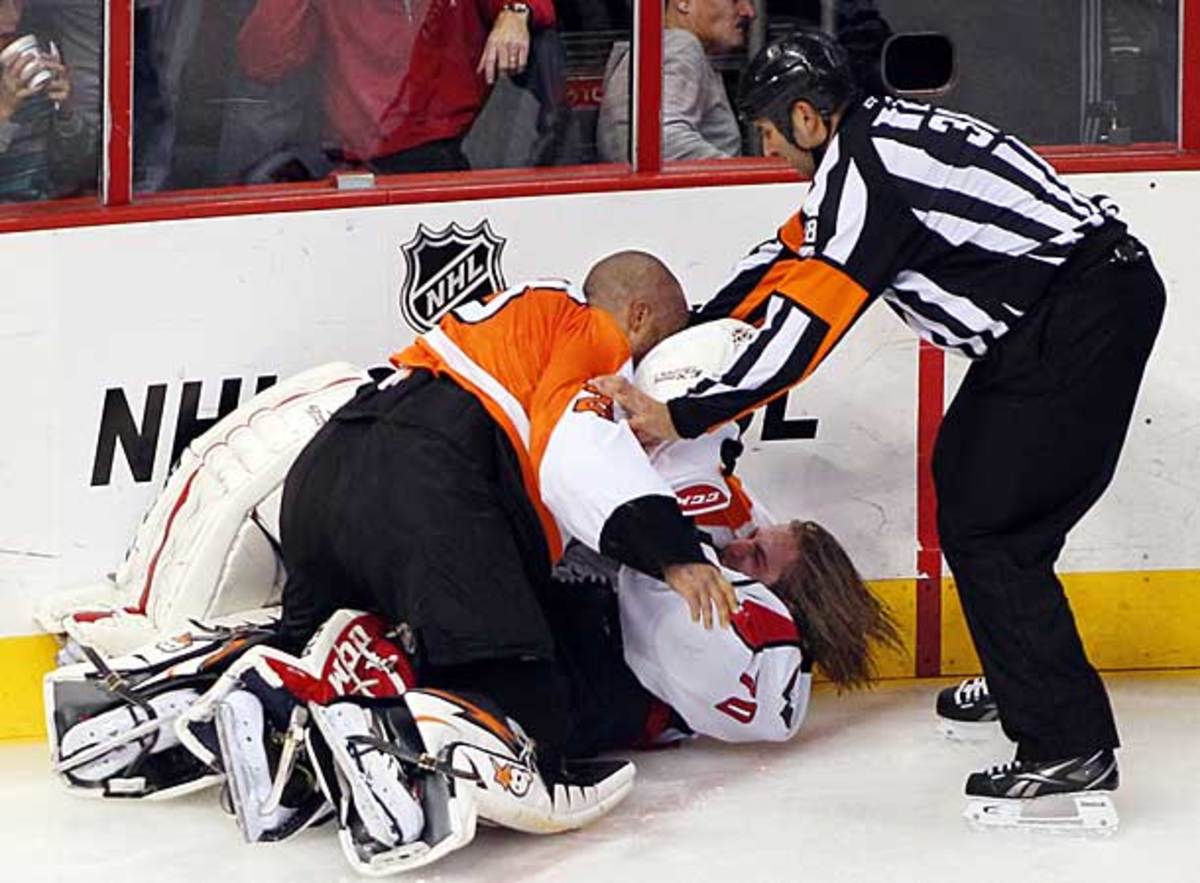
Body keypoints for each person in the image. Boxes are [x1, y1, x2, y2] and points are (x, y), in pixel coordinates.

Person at [595, 31, 1165, 827]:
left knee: (991, 524)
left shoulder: (868, 174)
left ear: (806, 117)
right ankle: (1024, 672)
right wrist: (698, 329)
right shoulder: (870, 148)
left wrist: (684, 410)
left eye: (765, 130)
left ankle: (1067, 747)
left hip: (1081, 317)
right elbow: (784, 262)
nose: (764, 149)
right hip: (1068, 314)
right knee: (971, 480)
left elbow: (807, 326)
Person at [278, 251, 739, 780]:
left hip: (326, 470)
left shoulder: (522, 323)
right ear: (637, 317)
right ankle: (373, 736)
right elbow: (576, 448)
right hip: (423, 486)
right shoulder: (594, 336)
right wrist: (673, 553)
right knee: (526, 719)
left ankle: (266, 690)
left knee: (310, 649)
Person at [234, 0, 557, 174]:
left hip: (452, 163)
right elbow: (263, 62)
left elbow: (534, 6)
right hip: (351, 170)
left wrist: (517, 12)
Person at [596, 0, 754, 162]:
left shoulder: (658, 50)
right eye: (734, 1)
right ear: (683, 3)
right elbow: (660, 142)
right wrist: (741, 177)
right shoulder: (680, 46)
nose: (748, 12)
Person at [0, 0, 94, 201]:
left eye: (17, 3)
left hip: (48, 213)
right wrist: (3, 111)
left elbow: (78, 172)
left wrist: (66, 112)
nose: (13, 20)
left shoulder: (39, 58)